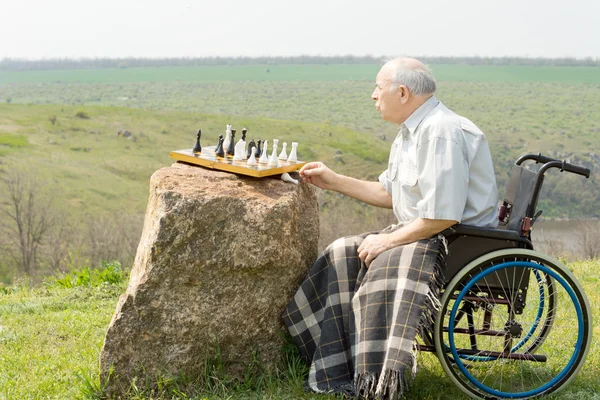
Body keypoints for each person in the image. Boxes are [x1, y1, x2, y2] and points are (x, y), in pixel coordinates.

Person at [282, 57, 498, 399]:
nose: (372, 95)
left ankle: (376, 378)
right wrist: (333, 181)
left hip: (455, 242)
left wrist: (387, 242)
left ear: (402, 92)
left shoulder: (439, 133)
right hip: (429, 231)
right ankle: (336, 364)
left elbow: (442, 215)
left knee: (379, 263)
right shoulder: (411, 134)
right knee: (341, 252)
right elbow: (389, 193)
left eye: (377, 87)